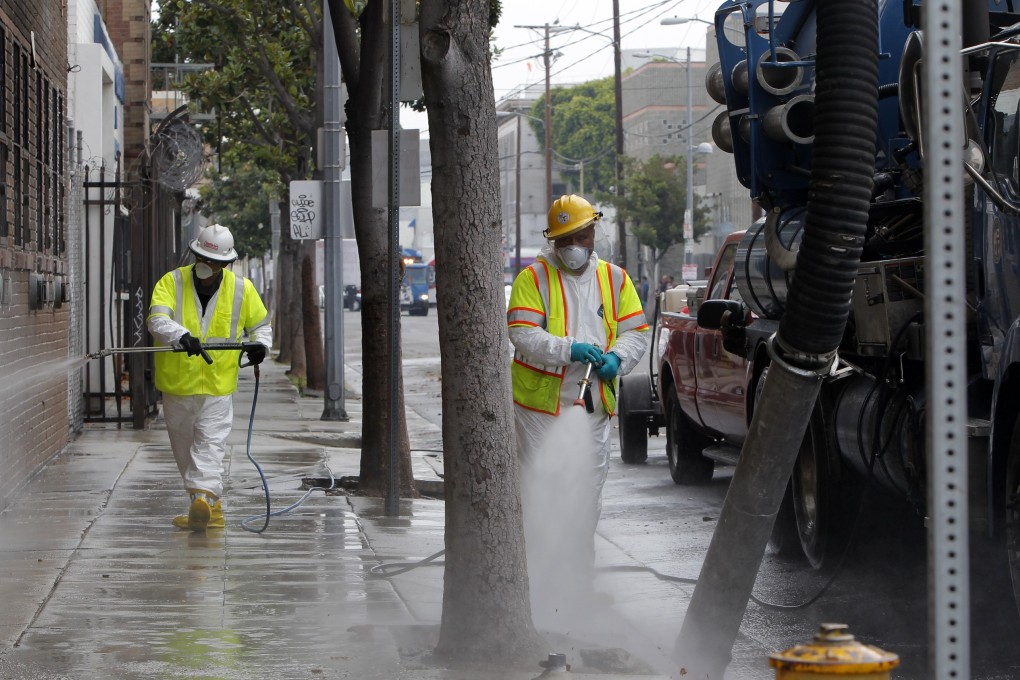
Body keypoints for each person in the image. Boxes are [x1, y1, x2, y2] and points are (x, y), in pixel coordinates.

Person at [507, 194, 649, 599]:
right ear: (554, 241)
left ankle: (577, 581)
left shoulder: (616, 280)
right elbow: (521, 333)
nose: (574, 245)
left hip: (592, 406)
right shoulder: (533, 279)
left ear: (594, 233)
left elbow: (636, 332)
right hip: (539, 407)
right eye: (566, 238)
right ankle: (537, 581)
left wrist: (616, 359)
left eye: (581, 235)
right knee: (540, 491)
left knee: (586, 492)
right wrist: (568, 349)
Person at [146, 224, 273, 532]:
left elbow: (261, 327)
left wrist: (261, 347)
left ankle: (203, 496)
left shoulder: (242, 289)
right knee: (185, 449)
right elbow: (157, 319)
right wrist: (181, 335)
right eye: (204, 258)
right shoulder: (172, 282)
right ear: (194, 254)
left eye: (216, 262)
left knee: (211, 444)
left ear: (226, 263)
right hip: (178, 385)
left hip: (218, 384)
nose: (209, 266)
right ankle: (207, 508)